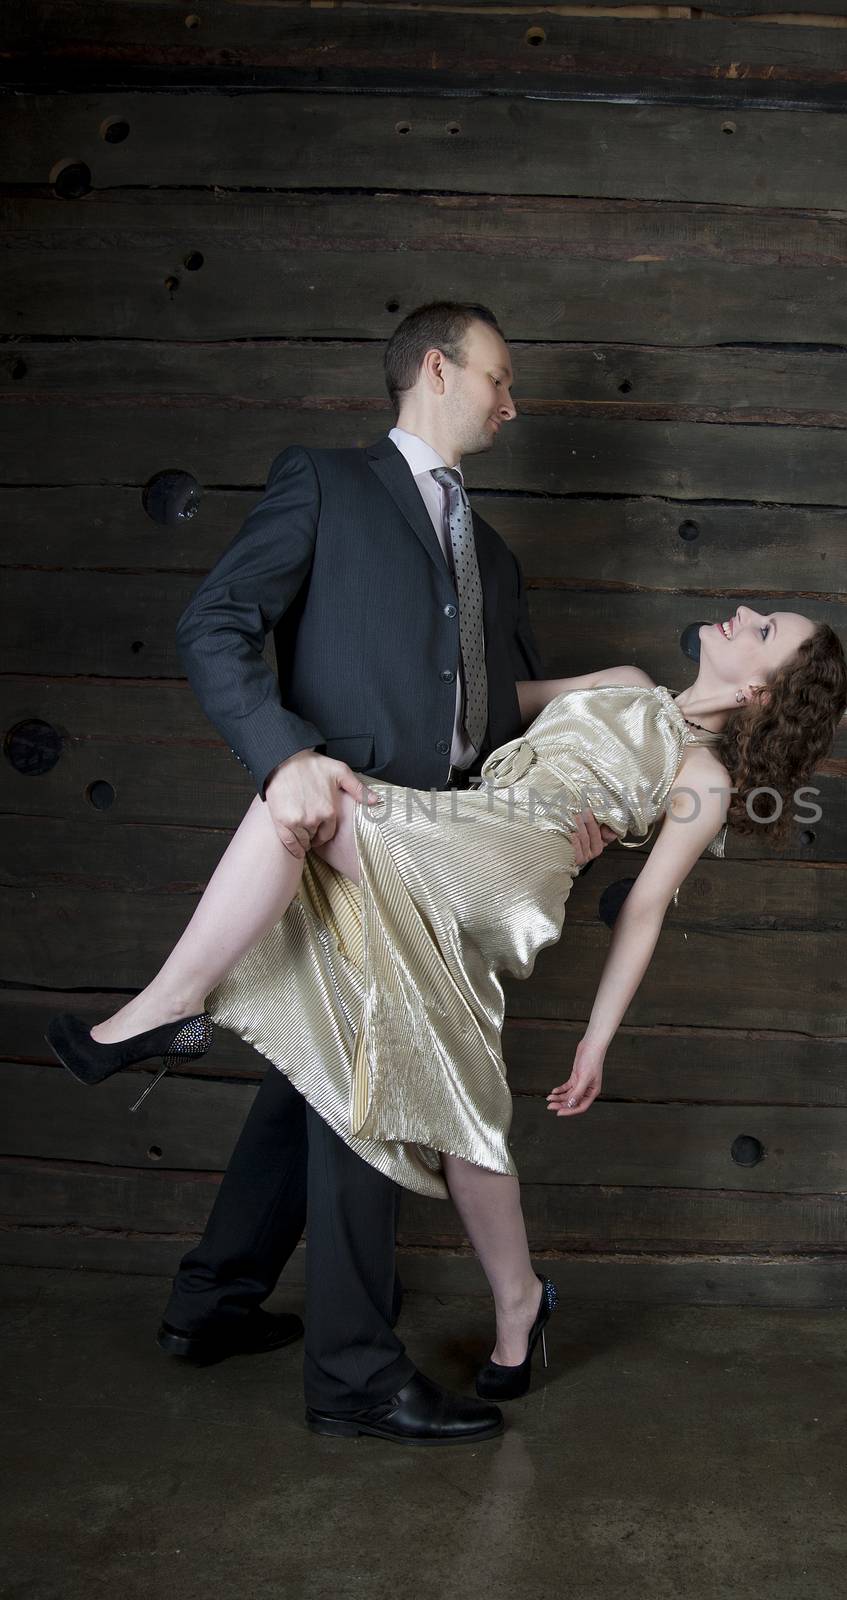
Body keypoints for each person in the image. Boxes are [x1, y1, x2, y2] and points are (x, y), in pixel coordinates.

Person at [47, 608, 847, 1441]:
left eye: (764, 630)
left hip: (508, 864)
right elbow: (486, 705)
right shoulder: (627, 683)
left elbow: (644, 911)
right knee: (459, 1085)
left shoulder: (705, 778)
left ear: (760, 689)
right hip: (465, 829)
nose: (743, 614)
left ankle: (171, 1008)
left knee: (301, 796)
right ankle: (520, 1302)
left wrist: (596, 1039)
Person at [47, 301, 616, 1450]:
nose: (513, 406)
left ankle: (211, 1302)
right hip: (340, 834)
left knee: (309, 1080)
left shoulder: (494, 557)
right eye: (500, 380)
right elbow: (216, 624)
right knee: (373, 1090)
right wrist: (284, 753)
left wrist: (573, 806)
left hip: (438, 856)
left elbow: (497, 719)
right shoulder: (323, 482)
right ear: (439, 369)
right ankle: (353, 1373)